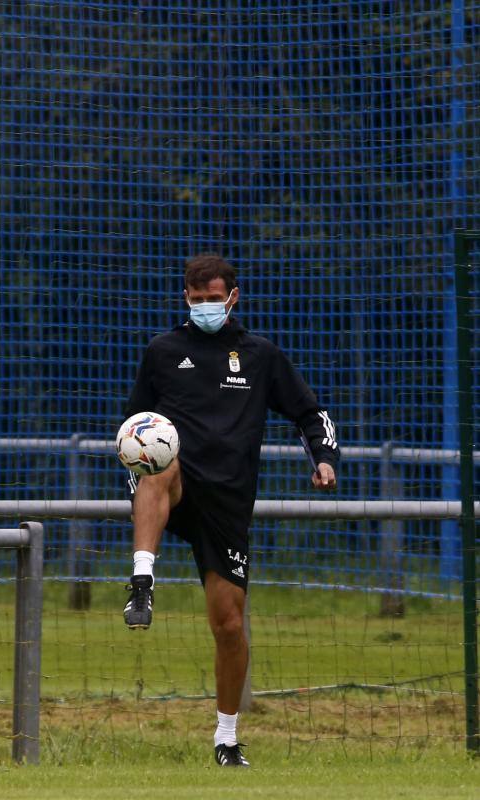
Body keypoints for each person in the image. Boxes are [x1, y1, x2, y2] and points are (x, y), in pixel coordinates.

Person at [122, 253, 339, 767]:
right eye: (195, 301)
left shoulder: (259, 355)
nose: (204, 308)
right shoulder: (162, 351)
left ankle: (226, 738)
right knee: (158, 465)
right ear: (185, 299)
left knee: (227, 624)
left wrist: (325, 459)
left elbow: (311, 412)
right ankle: (141, 580)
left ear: (233, 298)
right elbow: (134, 424)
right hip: (176, 487)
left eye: (213, 300)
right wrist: (136, 467)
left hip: (227, 503)